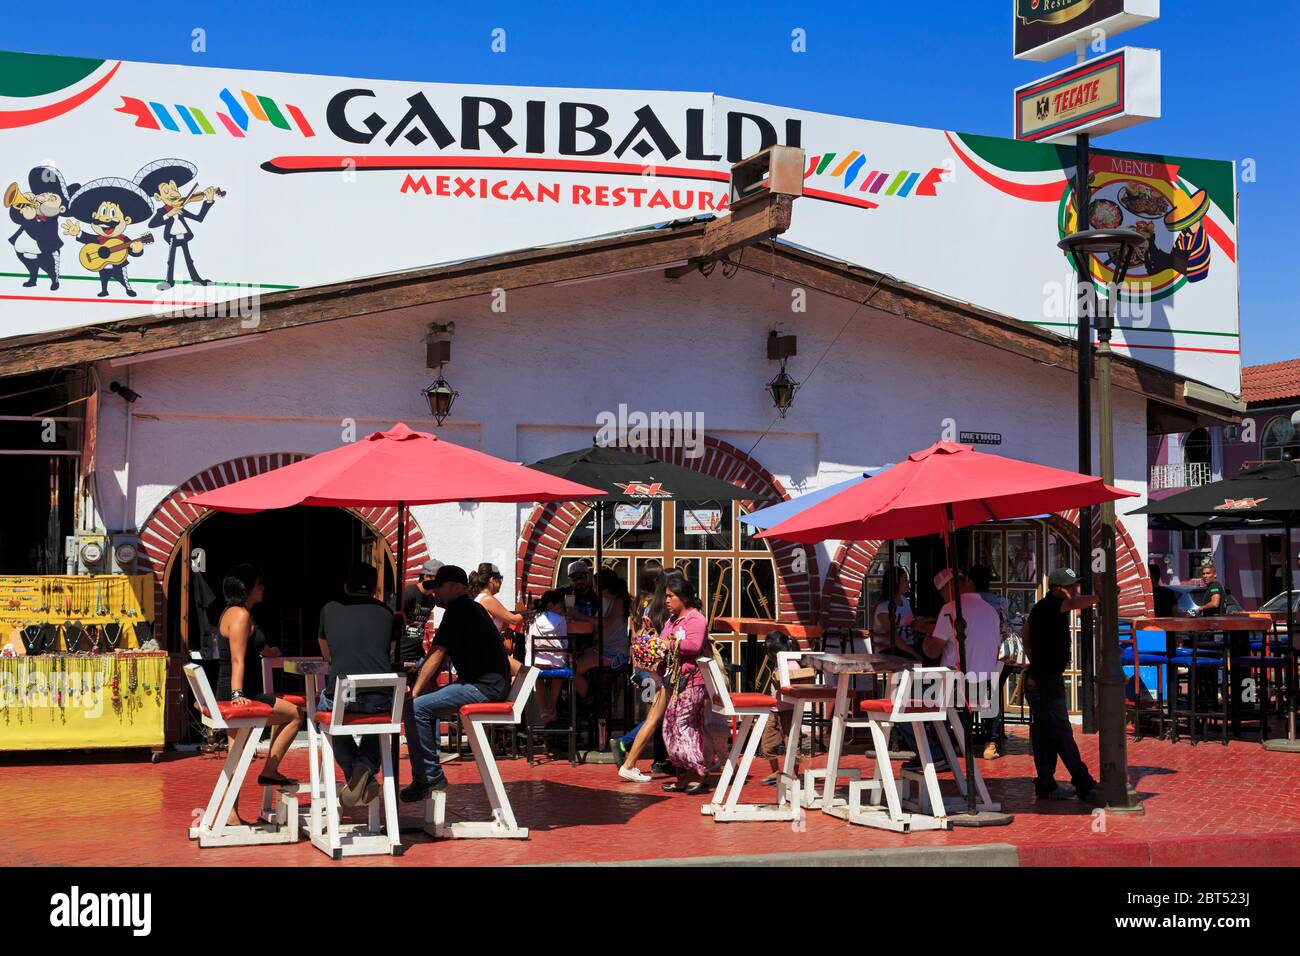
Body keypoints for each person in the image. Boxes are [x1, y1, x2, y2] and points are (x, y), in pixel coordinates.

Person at [401, 565, 512, 802]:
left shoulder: (459, 610)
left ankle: (430, 778)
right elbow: (442, 655)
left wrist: (416, 691)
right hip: (483, 684)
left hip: (483, 688)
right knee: (420, 707)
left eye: (439, 587)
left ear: (456, 586)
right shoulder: (468, 609)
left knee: (414, 708)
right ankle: (425, 777)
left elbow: (437, 653)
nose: (434, 593)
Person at [216, 564, 305, 821]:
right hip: (242, 691)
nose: (263, 588)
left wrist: (271, 652)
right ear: (246, 589)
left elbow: (254, 646)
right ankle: (270, 770)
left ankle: (231, 813)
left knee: (238, 752)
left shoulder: (239, 613)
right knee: (295, 715)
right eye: (258, 584)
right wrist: (237, 695)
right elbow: (237, 659)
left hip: (245, 689)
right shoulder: (241, 616)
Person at [317, 563, 402, 808]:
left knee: (324, 714)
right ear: (375, 588)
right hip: (381, 698)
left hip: (343, 696)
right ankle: (365, 766)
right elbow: (389, 650)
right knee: (376, 722)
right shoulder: (387, 613)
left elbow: (326, 655)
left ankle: (357, 769)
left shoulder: (329, 609)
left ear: (346, 586)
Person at [1022, 568, 1104, 804]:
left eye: (1075, 585)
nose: (1074, 590)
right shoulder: (1050, 606)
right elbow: (1076, 603)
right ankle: (1083, 783)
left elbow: (1026, 632)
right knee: (1061, 733)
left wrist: (1034, 656)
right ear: (1057, 589)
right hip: (1043, 683)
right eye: (1070, 587)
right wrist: (1100, 597)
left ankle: (1046, 783)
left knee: (1046, 734)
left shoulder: (1043, 609)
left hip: (1043, 679)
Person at [660, 572, 727, 795]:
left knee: (682, 726)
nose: (667, 601)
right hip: (676, 681)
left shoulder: (696, 619)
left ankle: (699, 773)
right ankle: (683, 775)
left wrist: (669, 645)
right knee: (671, 727)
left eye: (671, 596)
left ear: (683, 597)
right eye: (666, 596)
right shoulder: (672, 621)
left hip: (693, 681)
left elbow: (693, 645)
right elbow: (662, 641)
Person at [614, 565, 673, 782]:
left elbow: (633, 635)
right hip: (651, 669)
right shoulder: (656, 606)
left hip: (640, 667)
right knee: (655, 714)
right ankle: (626, 742)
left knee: (656, 712)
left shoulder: (638, 603)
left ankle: (659, 760)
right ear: (656, 582)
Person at [969, 563, 1011, 759]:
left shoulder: (968, 603)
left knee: (968, 697)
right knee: (993, 698)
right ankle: (991, 742)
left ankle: (965, 737)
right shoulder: (1000, 602)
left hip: (974, 656)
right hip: (998, 656)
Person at [572, 567, 631, 700]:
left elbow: (605, 622)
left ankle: (591, 701)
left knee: (572, 668)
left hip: (614, 653)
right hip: (601, 648)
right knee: (571, 659)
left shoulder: (618, 601)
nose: (593, 588)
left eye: (595, 585)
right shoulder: (604, 600)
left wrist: (579, 616)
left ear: (604, 587)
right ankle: (591, 694)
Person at [526, 589, 570, 724]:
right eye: (561, 606)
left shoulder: (534, 617)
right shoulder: (560, 619)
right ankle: (552, 707)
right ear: (552, 605)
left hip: (535, 661)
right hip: (556, 661)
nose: (563, 610)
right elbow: (565, 641)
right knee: (558, 677)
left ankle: (542, 710)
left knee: (538, 678)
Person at [397, 559, 442, 679]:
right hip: (401, 654)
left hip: (417, 655)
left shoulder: (431, 600)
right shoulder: (409, 593)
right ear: (427, 577)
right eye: (438, 580)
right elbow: (391, 619)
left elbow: (420, 626)